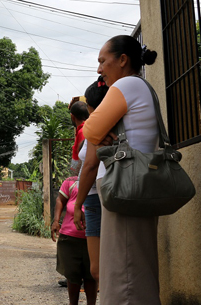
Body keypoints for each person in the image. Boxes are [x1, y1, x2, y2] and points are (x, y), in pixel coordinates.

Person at [74, 35, 160, 305]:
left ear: (123, 60)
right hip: (138, 186)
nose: (99, 69)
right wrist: (101, 131)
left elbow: (88, 129)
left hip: (125, 189)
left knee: (122, 276)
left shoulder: (126, 84)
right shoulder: (141, 86)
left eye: (102, 61)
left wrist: (99, 130)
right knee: (138, 269)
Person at [77, 77, 109, 287]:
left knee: (98, 269)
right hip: (100, 196)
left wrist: (77, 204)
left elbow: (89, 166)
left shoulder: (96, 125)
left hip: (95, 198)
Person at [51, 176, 97, 305]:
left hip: (93, 237)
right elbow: (60, 200)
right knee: (72, 276)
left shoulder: (99, 180)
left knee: (91, 275)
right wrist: (56, 221)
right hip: (69, 237)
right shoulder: (71, 182)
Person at [69, 100, 89, 174]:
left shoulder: (82, 131)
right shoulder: (83, 129)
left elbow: (83, 157)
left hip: (81, 173)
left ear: (72, 116)